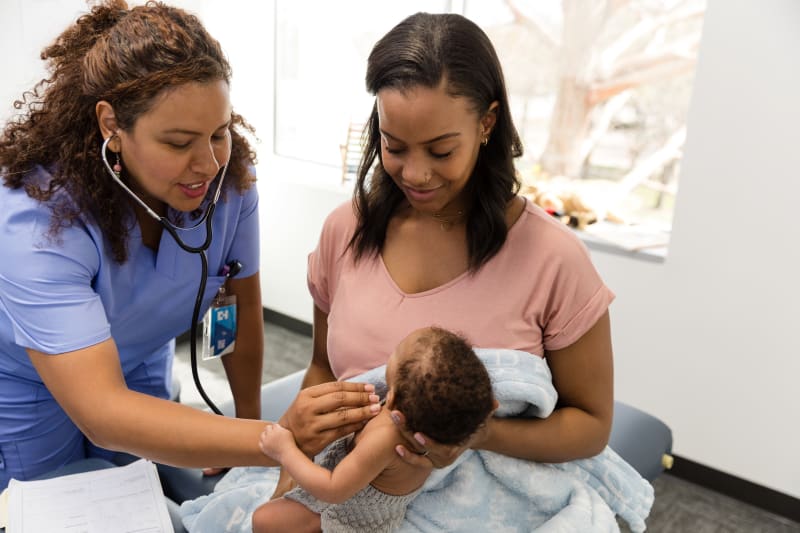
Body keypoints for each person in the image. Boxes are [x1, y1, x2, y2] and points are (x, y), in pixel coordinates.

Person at [0, 0, 379, 495]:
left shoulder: (231, 188)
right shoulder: (37, 222)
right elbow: (103, 414)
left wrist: (248, 441)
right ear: (111, 126)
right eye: (179, 143)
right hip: (32, 387)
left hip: (141, 367)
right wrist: (272, 440)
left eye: (218, 133)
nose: (207, 164)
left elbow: (240, 311)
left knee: (140, 493)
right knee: (57, 501)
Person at [274, 11, 615, 495]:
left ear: (487, 124)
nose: (414, 174)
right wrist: (296, 450)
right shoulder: (345, 230)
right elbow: (326, 371)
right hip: (348, 488)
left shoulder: (553, 259)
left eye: (440, 151)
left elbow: (592, 426)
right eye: (394, 146)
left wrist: (480, 434)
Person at [252, 326, 496, 533]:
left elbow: (333, 489)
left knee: (264, 520)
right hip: (362, 495)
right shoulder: (444, 423)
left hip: (351, 515)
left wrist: (284, 451)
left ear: (392, 401)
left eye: (396, 353)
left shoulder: (387, 436)